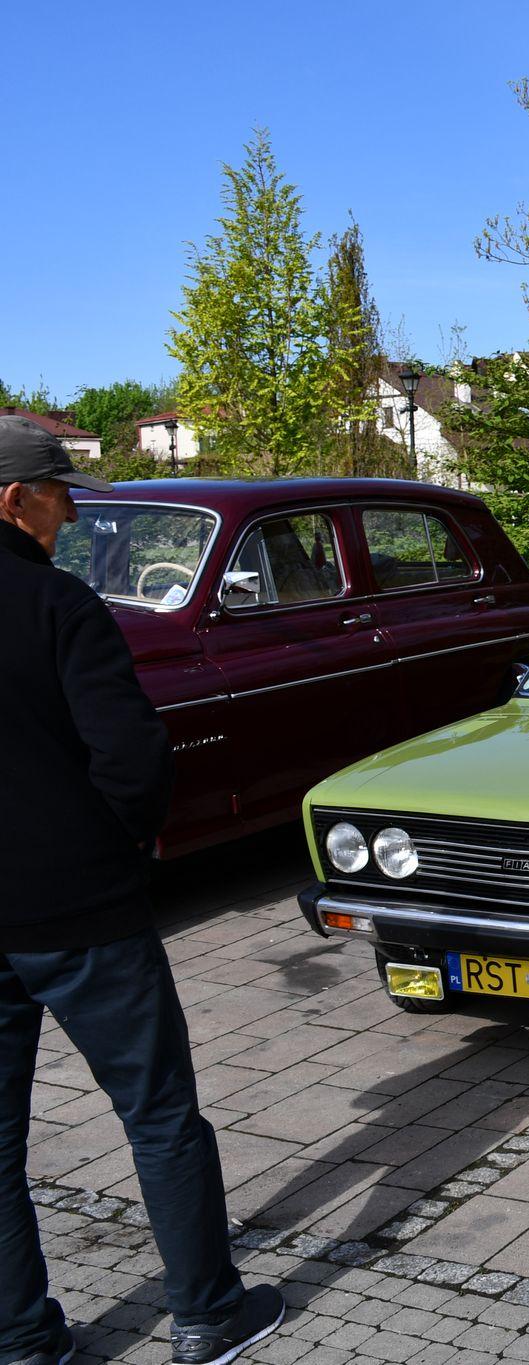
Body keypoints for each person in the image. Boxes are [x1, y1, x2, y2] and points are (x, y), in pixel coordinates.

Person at [0, 416, 284, 1365]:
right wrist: (118, 843)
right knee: (158, 1111)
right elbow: (132, 756)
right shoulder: (58, 603)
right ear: (14, 500)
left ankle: (23, 1341)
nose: (73, 513)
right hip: (78, 907)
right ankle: (207, 1312)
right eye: (60, 494)